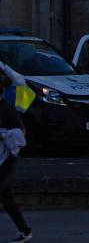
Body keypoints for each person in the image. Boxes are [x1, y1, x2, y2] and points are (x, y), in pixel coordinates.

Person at [0, 70, 31, 242]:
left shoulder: (7, 109)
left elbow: (22, 135)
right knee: (6, 197)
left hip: (7, 159)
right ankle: (25, 230)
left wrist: (4, 135)